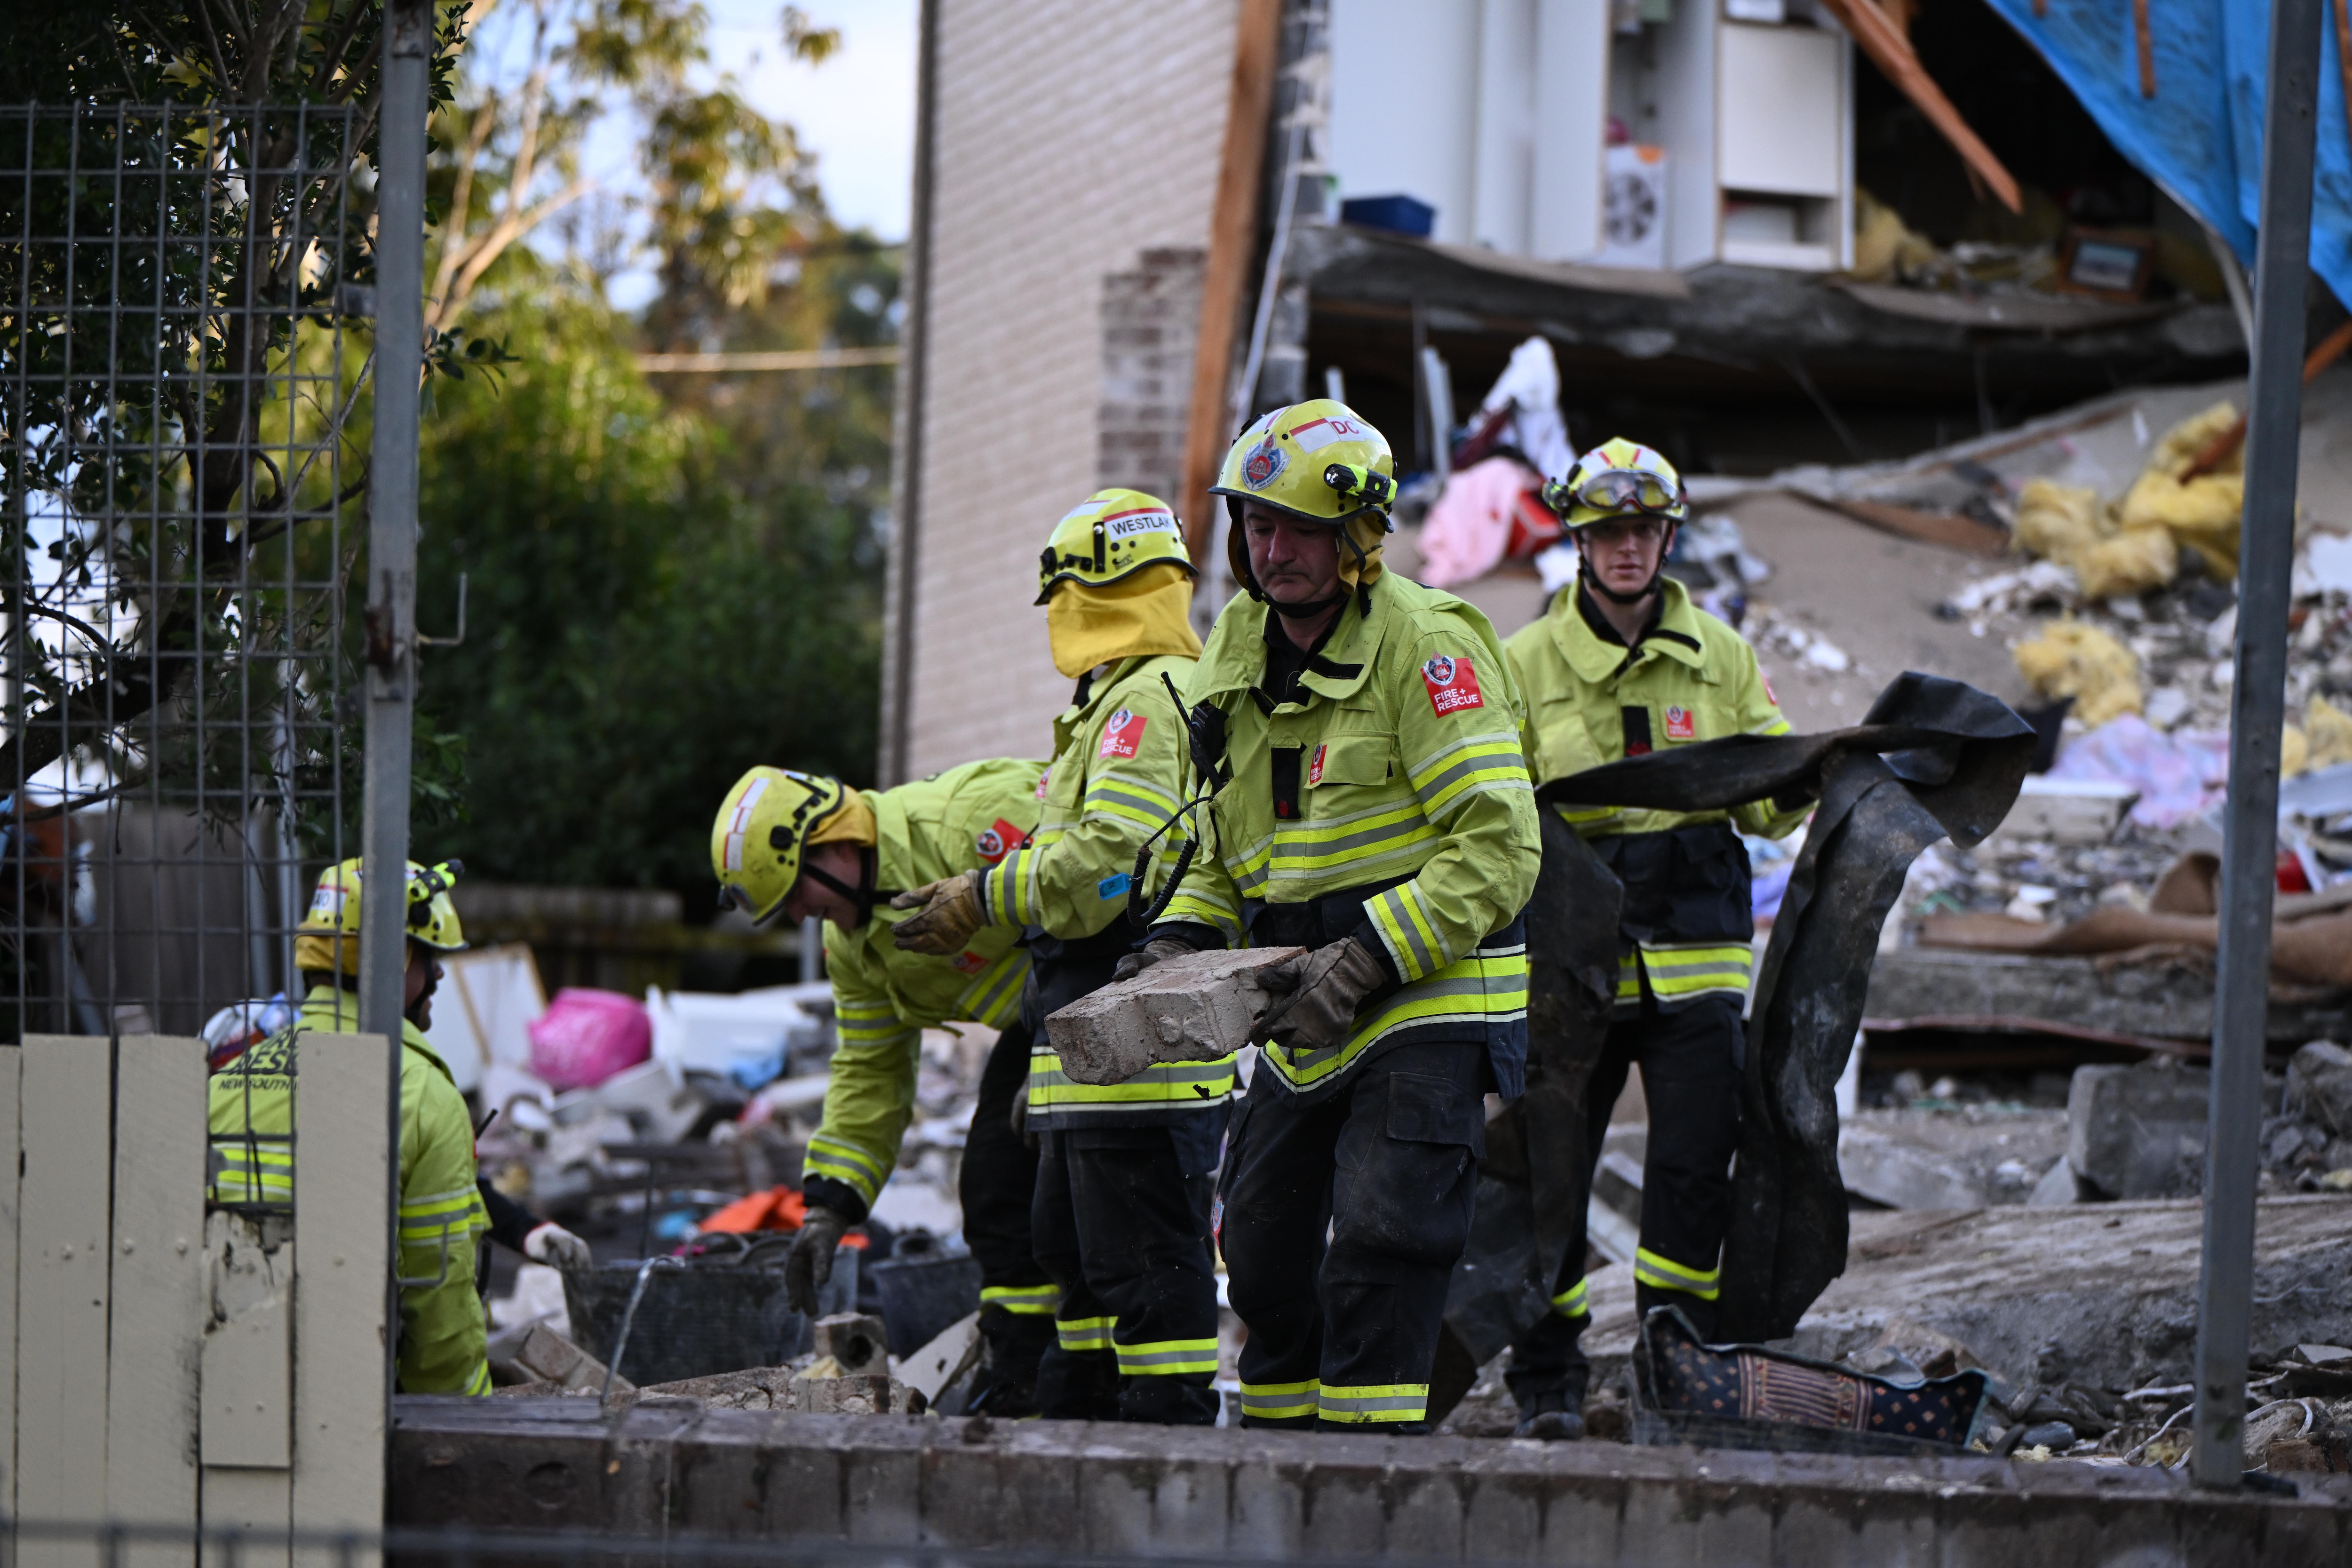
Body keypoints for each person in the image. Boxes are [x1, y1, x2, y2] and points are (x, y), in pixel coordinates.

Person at [1121, 399, 1541, 1432]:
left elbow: (1500, 846)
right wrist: (1181, 938)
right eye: (1258, 524)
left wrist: (1365, 960)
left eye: (1302, 529)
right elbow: (1226, 847)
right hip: (1300, 1015)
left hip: (1425, 996)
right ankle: (1275, 1480)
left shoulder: (1427, 644)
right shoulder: (1235, 646)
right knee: (1261, 1259)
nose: (1274, 551)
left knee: (1383, 1244)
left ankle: (1365, 1482)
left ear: (1359, 534)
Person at [891, 489, 1233, 1424]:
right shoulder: (1116, 702)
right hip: (1090, 1039)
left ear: (1088, 591)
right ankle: (1082, 1418)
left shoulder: (1144, 704)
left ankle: (1161, 1438)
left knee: (1143, 1262)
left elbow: (1107, 867)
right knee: (1076, 1254)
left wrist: (981, 895)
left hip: (1136, 1041)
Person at [1499, 438, 1810, 1439]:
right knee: (1550, 1172)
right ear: (1578, 541)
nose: (1626, 547)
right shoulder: (1523, 662)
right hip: (1571, 970)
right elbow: (1498, 816)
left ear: (1668, 537)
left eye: (1643, 529)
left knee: (1691, 1174)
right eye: (1607, 531)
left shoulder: (1722, 655)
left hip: (1696, 965)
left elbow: (1768, 805)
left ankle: (1673, 1372)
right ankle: (1548, 1382)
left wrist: (1826, 769)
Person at [711, 760, 1052, 1412]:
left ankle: (1120, 1391)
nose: (799, 916)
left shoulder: (964, 821)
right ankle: (1023, 1382)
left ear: (837, 842)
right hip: (1043, 1026)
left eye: (794, 892)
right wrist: (828, 1206)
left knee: (1094, 1209)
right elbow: (871, 1070)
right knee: (997, 1193)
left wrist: (1065, 1047)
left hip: (1123, 991)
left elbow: (1101, 882)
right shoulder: (855, 944)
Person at [207, 858, 497, 1395]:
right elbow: (439, 1295)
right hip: (349, 1401)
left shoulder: (228, 1080)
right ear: (394, 957)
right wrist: (464, 1415)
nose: (438, 975)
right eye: (429, 956)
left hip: (223, 1389)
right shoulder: (422, 1094)